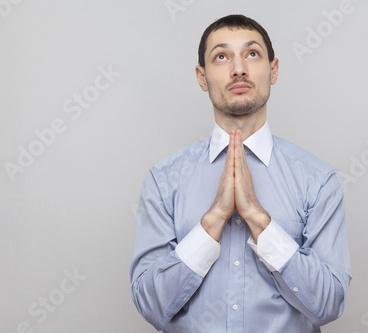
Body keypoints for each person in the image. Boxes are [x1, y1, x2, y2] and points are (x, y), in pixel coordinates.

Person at [130, 14, 351, 333]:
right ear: (202, 77)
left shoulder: (318, 180)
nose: (238, 69)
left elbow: (329, 304)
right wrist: (214, 219)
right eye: (221, 56)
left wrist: (259, 219)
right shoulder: (164, 181)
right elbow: (151, 306)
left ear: (273, 70)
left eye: (252, 54)